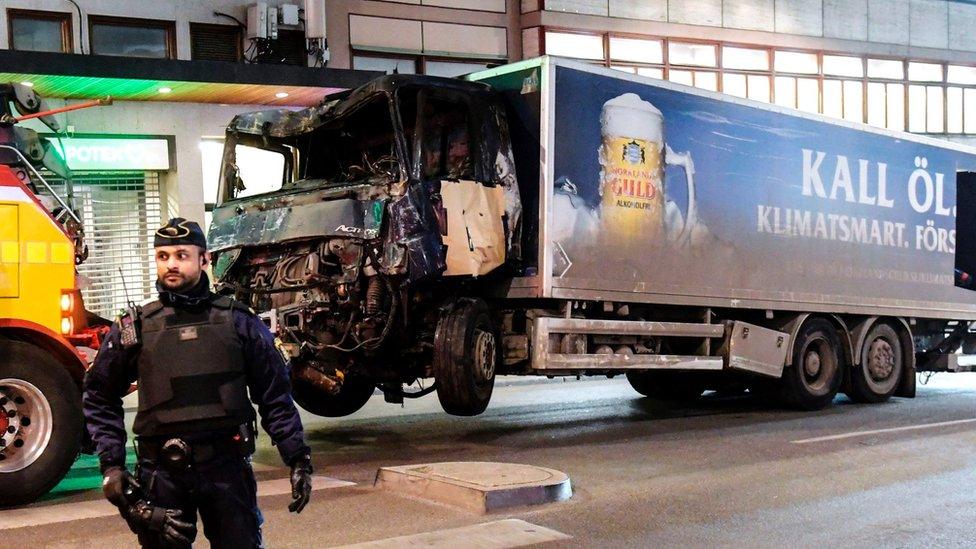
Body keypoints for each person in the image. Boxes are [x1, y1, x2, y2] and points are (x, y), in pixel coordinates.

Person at [83, 217, 313, 548]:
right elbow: (98, 396)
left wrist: (298, 459)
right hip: (162, 474)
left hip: (227, 468)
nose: (171, 264)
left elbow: (275, 395)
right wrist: (112, 467)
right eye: (163, 256)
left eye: (181, 255)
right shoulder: (134, 329)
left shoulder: (239, 322)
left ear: (204, 259)